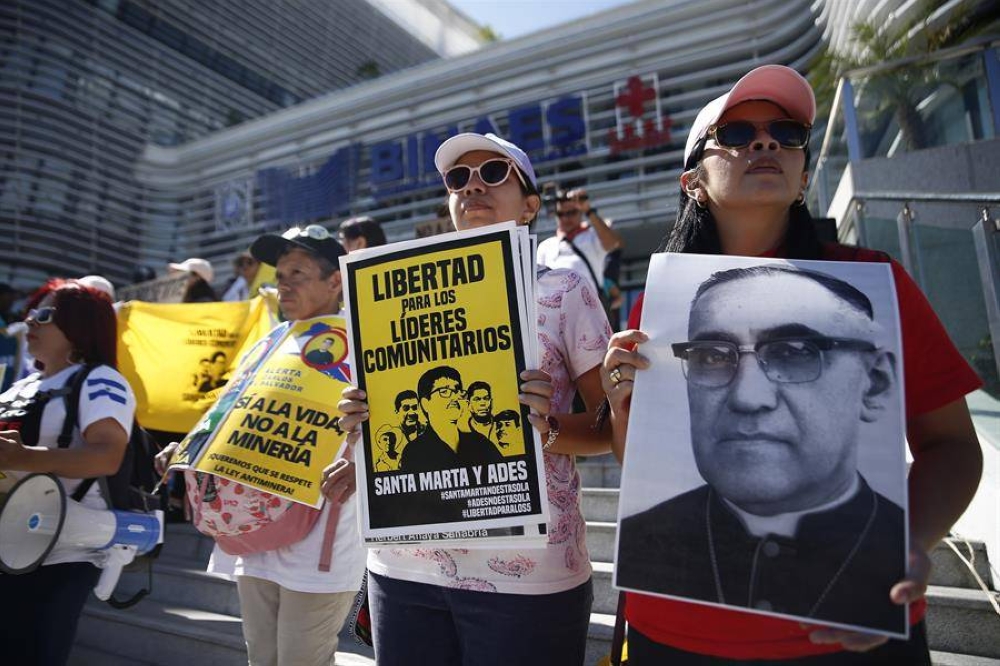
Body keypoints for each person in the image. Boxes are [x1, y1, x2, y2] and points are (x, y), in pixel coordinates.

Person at [602, 64, 983, 664]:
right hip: (671, 633)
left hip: (859, 630)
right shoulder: (657, 307)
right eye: (735, 135)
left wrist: (904, 542)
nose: (765, 143)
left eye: (785, 133)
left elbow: (953, 445)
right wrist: (624, 410)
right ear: (693, 181)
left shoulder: (877, 281)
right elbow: (645, 458)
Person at [322, 132, 614, 666]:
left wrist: (546, 429)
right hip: (403, 567)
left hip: (528, 572)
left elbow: (610, 426)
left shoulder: (564, 290)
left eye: (494, 173)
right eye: (458, 179)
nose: (473, 185)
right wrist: (360, 423)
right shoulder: (393, 293)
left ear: (530, 206)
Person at [618, 264, 906, 633]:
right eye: (711, 356)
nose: (747, 397)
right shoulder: (646, 537)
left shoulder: (902, 540)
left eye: (794, 352)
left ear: (875, 384)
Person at [156, 225, 365, 666]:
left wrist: (361, 467)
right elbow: (229, 416)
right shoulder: (269, 341)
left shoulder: (366, 341)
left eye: (298, 273)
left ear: (335, 280)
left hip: (322, 535)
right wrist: (187, 451)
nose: (283, 283)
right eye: (280, 273)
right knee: (262, 658)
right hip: (254, 530)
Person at [0, 279, 136, 666]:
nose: (31, 322)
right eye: (30, 313)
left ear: (80, 327)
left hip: (65, 549)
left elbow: (107, 455)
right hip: (8, 542)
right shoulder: (20, 387)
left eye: (44, 315)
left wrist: (24, 458)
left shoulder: (101, 380)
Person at [397, 367, 502, 473]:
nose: (455, 397)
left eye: (457, 390)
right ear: (425, 404)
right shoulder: (414, 452)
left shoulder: (481, 443)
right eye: (444, 391)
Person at [536, 187, 622, 295]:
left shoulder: (592, 236)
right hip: (555, 310)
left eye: (571, 213)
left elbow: (613, 243)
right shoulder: (545, 246)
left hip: (588, 309)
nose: (565, 219)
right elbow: (538, 283)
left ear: (580, 212)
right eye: (560, 214)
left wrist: (588, 210)